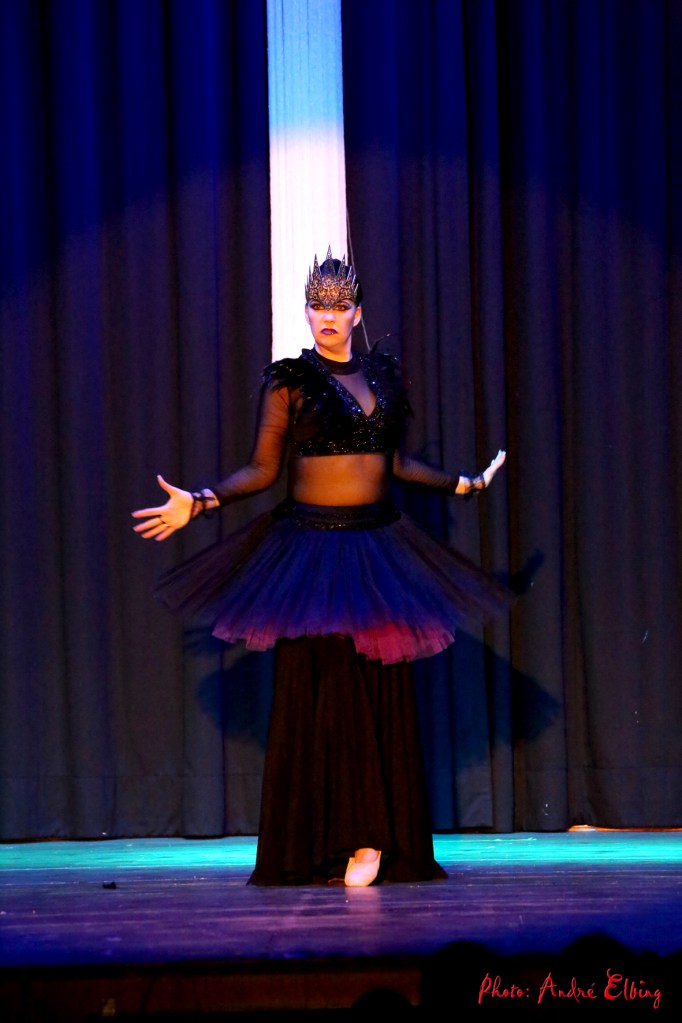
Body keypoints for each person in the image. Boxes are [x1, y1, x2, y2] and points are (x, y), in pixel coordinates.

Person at [133, 248, 510, 887]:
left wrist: (463, 485)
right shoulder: (291, 382)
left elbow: (395, 462)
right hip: (312, 551)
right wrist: (199, 500)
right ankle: (341, 838)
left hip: (377, 548)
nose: (327, 317)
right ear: (306, 312)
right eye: (317, 306)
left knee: (376, 689)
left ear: (357, 313)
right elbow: (263, 470)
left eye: (339, 306)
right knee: (330, 690)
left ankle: (375, 836)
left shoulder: (382, 378)